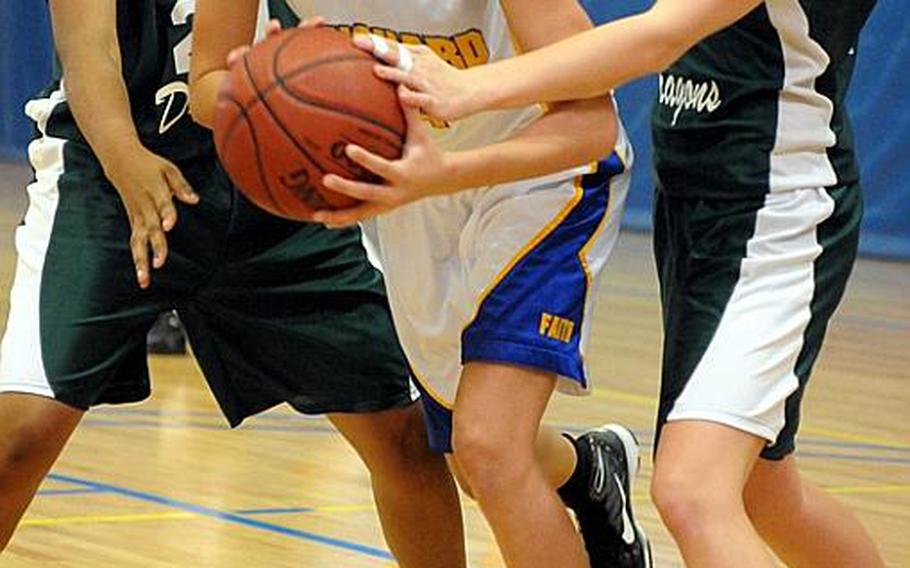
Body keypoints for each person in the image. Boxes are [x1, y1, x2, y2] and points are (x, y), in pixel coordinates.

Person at [324, 1, 887, 567]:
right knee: (764, 489)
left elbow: (659, 37)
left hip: (778, 203)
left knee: (692, 491)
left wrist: (468, 87)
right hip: (702, 195)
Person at [0, 1, 466, 566]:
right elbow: (87, 49)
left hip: (274, 181)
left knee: (403, 434)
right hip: (109, 177)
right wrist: (126, 161)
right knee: (18, 437)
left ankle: (578, 471)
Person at [191, 2, 652, 567]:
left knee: (489, 446)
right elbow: (207, 81)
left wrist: (446, 168)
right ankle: (589, 469)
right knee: (471, 457)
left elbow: (591, 121)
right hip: (412, 190)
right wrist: (263, 87)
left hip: (540, 175)